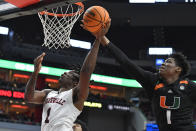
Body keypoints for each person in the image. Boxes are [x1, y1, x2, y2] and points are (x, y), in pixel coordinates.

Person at [96, 35, 196, 131]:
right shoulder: (153, 81)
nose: (163, 63)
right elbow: (126, 63)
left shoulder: (190, 86)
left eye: (168, 62)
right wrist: (102, 38)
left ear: (178, 69)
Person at [24, 21, 110, 131]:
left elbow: (86, 71)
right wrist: (35, 72)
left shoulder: (76, 95)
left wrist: (98, 39)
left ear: (76, 83)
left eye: (69, 73)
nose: (65, 73)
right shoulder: (48, 93)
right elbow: (29, 97)